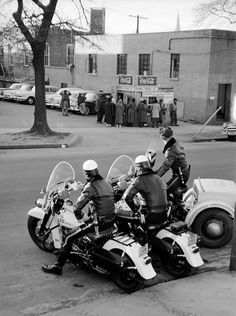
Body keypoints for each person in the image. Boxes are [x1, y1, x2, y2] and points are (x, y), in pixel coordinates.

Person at [41, 160, 115, 275]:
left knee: (69, 238)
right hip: (110, 222)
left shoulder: (90, 187)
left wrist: (80, 221)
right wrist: (82, 187)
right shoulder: (106, 183)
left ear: (86, 173)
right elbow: (96, 193)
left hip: (98, 224)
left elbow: (77, 209)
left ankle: (58, 267)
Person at [123, 155, 168, 225]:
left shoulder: (139, 180)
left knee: (124, 216)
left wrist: (135, 210)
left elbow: (127, 197)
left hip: (150, 218)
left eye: (136, 168)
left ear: (140, 168)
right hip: (164, 215)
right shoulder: (159, 178)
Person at [155, 126, 190, 196]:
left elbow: (166, 166)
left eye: (161, 135)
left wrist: (156, 177)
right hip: (182, 172)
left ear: (163, 137)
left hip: (180, 176)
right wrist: (156, 172)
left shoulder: (170, 150)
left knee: (165, 192)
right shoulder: (174, 141)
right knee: (171, 190)